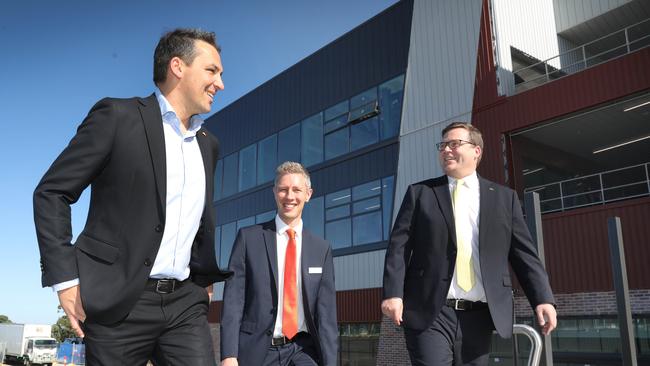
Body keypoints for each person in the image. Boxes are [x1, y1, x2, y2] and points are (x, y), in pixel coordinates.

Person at [33, 28, 232, 365]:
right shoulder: (117, 118)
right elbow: (52, 192)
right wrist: (65, 280)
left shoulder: (208, 144)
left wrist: (203, 279)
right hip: (120, 302)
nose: (221, 84)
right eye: (212, 71)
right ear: (177, 67)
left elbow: (198, 218)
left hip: (185, 304)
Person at [381, 122, 557, 366]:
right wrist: (393, 293)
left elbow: (524, 254)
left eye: (454, 144)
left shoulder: (505, 199)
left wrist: (542, 298)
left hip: (481, 315)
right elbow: (398, 248)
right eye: (442, 145)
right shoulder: (420, 193)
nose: (446, 150)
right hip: (431, 311)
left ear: (477, 150)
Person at [220, 162, 338, 366]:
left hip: (303, 350)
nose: (290, 196)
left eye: (297, 190)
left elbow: (327, 316)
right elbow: (233, 301)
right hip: (259, 352)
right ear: (275, 192)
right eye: (283, 189)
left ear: (308, 194)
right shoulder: (248, 239)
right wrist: (228, 355)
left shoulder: (322, 249)